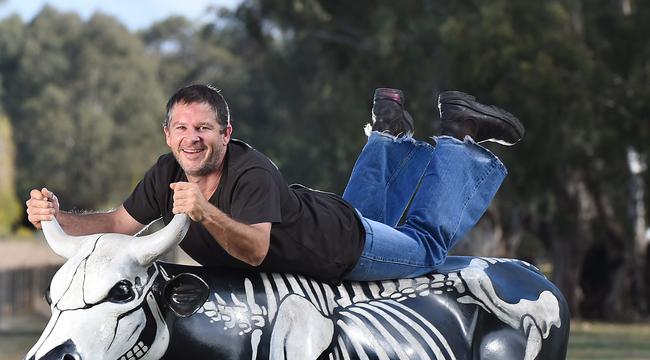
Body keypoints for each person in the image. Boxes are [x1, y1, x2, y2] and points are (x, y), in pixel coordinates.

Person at [26, 83, 523, 284]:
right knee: (364, 213)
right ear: (168, 134)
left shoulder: (250, 170)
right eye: (181, 129)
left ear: (227, 132)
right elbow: (116, 222)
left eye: (203, 128)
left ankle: (458, 132)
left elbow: (256, 251)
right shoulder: (166, 171)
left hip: (341, 250)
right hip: (328, 215)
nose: (191, 139)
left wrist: (203, 212)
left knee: (427, 246)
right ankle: (389, 128)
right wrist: (58, 217)